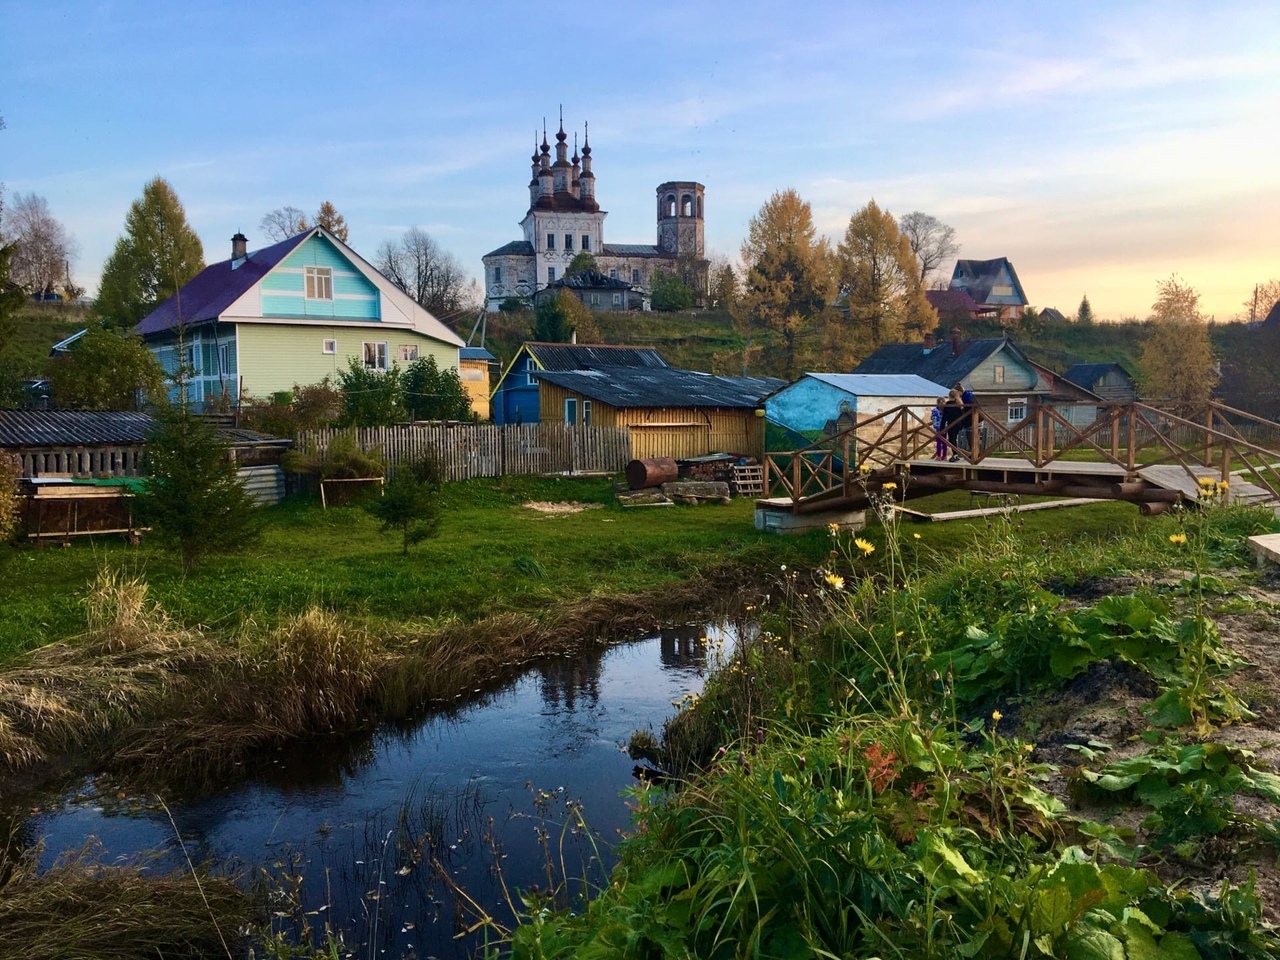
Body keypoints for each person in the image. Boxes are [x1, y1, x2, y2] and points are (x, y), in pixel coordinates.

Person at [943, 389, 964, 461]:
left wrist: (942, 427)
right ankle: (956, 454)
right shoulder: (959, 404)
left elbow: (944, 417)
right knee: (954, 439)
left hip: (951, 424)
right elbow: (962, 414)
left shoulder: (947, 404)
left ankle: (955, 455)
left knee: (952, 440)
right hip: (958, 424)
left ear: (949, 396)